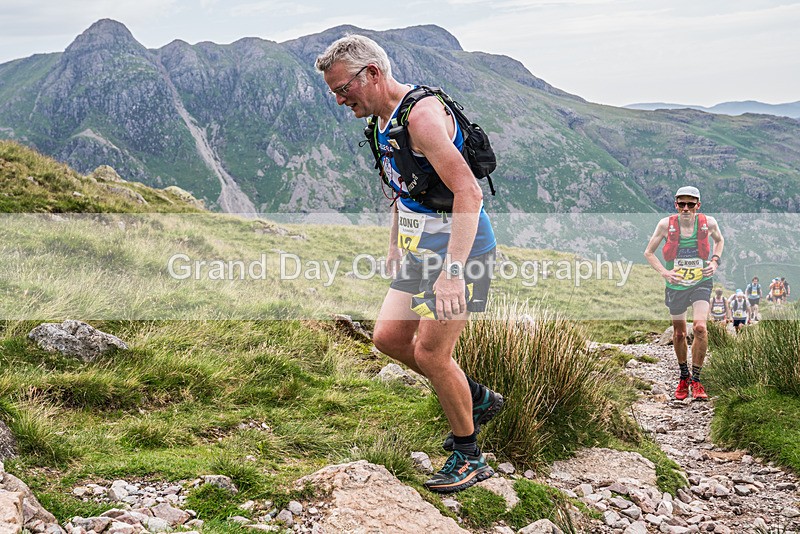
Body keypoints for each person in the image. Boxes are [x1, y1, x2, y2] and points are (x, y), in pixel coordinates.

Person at [315, 35, 503, 493]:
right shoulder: (382, 119)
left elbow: (469, 193)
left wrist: (453, 272)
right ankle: (476, 398)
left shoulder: (421, 117)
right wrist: (396, 243)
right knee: (388, 338)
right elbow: (404, 186)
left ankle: (469, 455)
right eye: (334, 93)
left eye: (343, 89)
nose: (340, 100)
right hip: (421, 248)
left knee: (431, 353)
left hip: (463, 249)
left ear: (372, 74)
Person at [644, 186, 724, 401]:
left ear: (698, 205)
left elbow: (719, 241)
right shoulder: (665, 225)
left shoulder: (709, 223)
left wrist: (715, 262)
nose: (686, 208)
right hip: (676, 285)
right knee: (679, 333)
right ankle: (683, 377)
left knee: (699, 327)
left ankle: (696, 380)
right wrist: (665, 273)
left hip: (701, 281)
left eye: (691, 204)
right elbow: (649, 252)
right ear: (675, 205)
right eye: (682, 204)